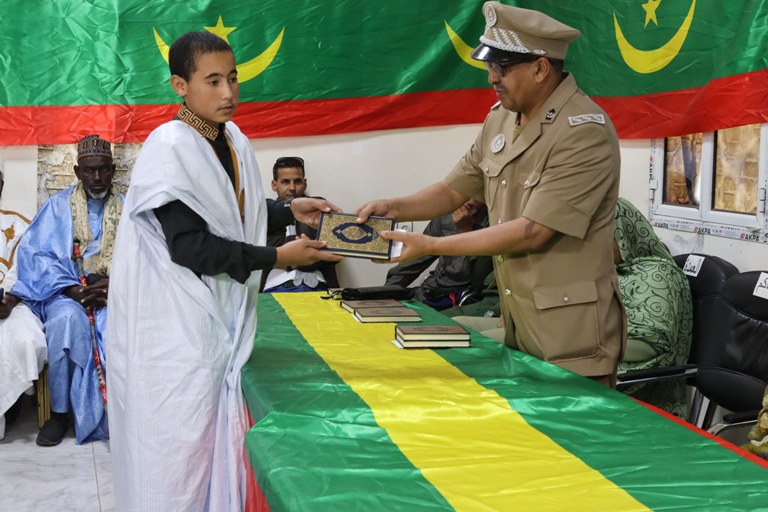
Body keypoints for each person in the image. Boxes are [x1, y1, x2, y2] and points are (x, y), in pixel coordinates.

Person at [106, 31, 343, 512]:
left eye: (233, 78)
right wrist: (278, 257)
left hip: (217, 323)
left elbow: (233, 213)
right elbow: (191, 246)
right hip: (176, 333)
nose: (228, 92)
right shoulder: (169, 148)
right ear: (180, 85)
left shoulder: (231, 139)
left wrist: (288, 208)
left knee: (214, 455)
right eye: (212, 81)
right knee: (177, 462)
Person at [356, 2, 625, 387]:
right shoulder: (501, 118)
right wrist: (394, 207)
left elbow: (533, 230)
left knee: (570, 427)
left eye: (502, 67)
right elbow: (453, 189)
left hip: (571, 335)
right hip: (519, 322)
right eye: (489, 65)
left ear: (540, 68)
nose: (491, 77)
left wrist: (432, 245)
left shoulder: (582, 131)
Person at [13, 135, 120, 446]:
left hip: (116, 295)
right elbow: (35, 256)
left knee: (119, 326)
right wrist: (73, 289)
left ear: (113, 170)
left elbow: (147, 259)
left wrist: (116, 286)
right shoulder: (57, 207)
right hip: (66, 293)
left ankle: (121, 413)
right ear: (77, 172)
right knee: (65, 322)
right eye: (89, 171)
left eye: (103, 169)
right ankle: (59, 414)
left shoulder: (129, 209)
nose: (97, 177)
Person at [614, 198, 692, 417]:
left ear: (625, 235)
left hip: (639, 391)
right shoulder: (610, 271)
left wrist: (580, 346)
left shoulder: (659, 276)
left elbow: (651, 343)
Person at [0, 157, 47, 440]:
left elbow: (27, 271)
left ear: (1, 185)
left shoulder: (19, 226)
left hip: (12, 304)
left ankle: (11, 407)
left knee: (25, 338)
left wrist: (12, 299)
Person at [385, 199, 490, 310]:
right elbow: (418, 259)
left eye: (475, 194)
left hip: (463, 297)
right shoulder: (446, 216)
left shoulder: (494, 224)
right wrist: (385, 291)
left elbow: (480, 279)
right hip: (432, 289)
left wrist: (466, 230)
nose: (469, 200)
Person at [261, 156, 340, 292]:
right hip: (275, 285)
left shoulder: (318, 205)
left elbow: (335, 250)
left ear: (305, 183)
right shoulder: (265, 210)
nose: (292, 188)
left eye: (297, 181)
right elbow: (261, 250)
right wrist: (306, 249)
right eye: (285, 182)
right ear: (274, 185)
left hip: (319, 286)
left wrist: (287, 259)